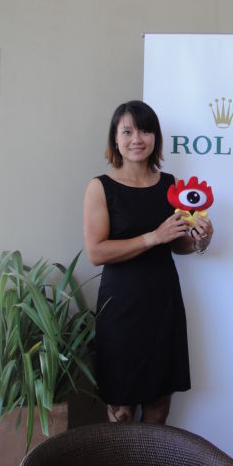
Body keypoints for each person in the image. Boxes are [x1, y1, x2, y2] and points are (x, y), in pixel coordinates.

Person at [83, 100, 213, 425]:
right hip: (120, 309)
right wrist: (153, 237)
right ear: (115, 139)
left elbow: (178, 244)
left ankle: (153, 455)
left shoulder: (171, 185)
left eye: (145, 130)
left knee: (159, 408)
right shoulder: (100, 187)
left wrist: (200, 240)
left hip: (163, 305)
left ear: (155, 137)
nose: (136, 139)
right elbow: (96, 253)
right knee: (121, 411)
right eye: (127, 131)